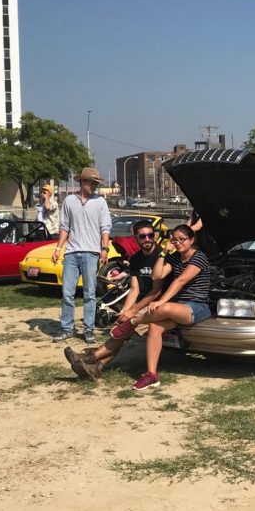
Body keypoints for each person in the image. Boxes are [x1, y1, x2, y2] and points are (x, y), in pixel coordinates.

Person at [108, 223, 211, 391]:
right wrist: (163, 253)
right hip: (178, 306)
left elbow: (180, 281)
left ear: (191, 240)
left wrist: (161, 301)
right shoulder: (174, 257)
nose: (178, 243)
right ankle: (151, 374)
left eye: (182, 239)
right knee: (154, 327)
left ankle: (132, 322)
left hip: (197, 307)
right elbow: (157, 275)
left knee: (163, 308)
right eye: (175, 240)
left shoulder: (199, 257)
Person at [64, 220, 163, 379]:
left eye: (150, 235)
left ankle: (90, 357)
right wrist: (125, 310)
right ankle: (96, 367)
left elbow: (156, 291)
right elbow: (134, 289)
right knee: (121, 326)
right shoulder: (136, 259)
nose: (147, 239)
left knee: (125, 328)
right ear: (135, 238)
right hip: (143, 303)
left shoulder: (160, 256)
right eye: (142, 236)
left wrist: (133, 311)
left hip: (157, 304)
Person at [52, 167, 112, 344]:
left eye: (95, 183)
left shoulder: (100, 202)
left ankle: (88, 329)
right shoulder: (69, 201)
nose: (93, 186)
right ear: (82, 182)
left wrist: (104, 249)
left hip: (91, 253)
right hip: (71, 253)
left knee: (90, 294)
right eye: (91, 182)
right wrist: (58, 248)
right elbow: (65, 227)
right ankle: (67, 328)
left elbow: (105, 227)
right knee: (67, 293)